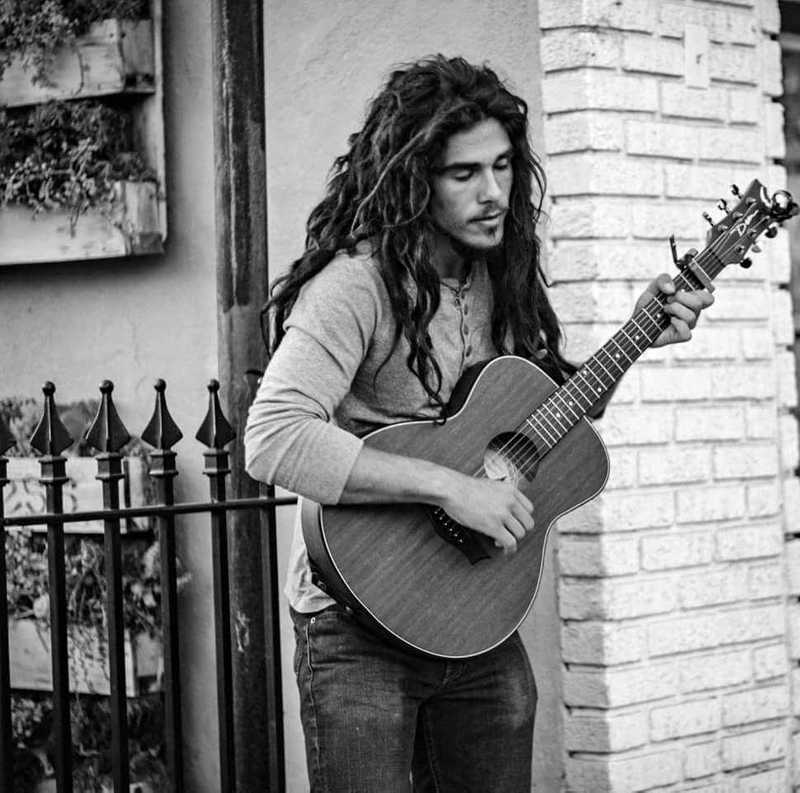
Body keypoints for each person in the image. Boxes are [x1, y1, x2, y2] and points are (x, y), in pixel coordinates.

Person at [244, 55, 712, 792]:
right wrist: (449, 489)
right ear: (414, 180)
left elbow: (547, 414)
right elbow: (272, 435)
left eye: (501, 166)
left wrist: (640, 334)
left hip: (471, 616)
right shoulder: (353, 287)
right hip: (356, 621)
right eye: (465, 174)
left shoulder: (501, 274)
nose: (493, 192)